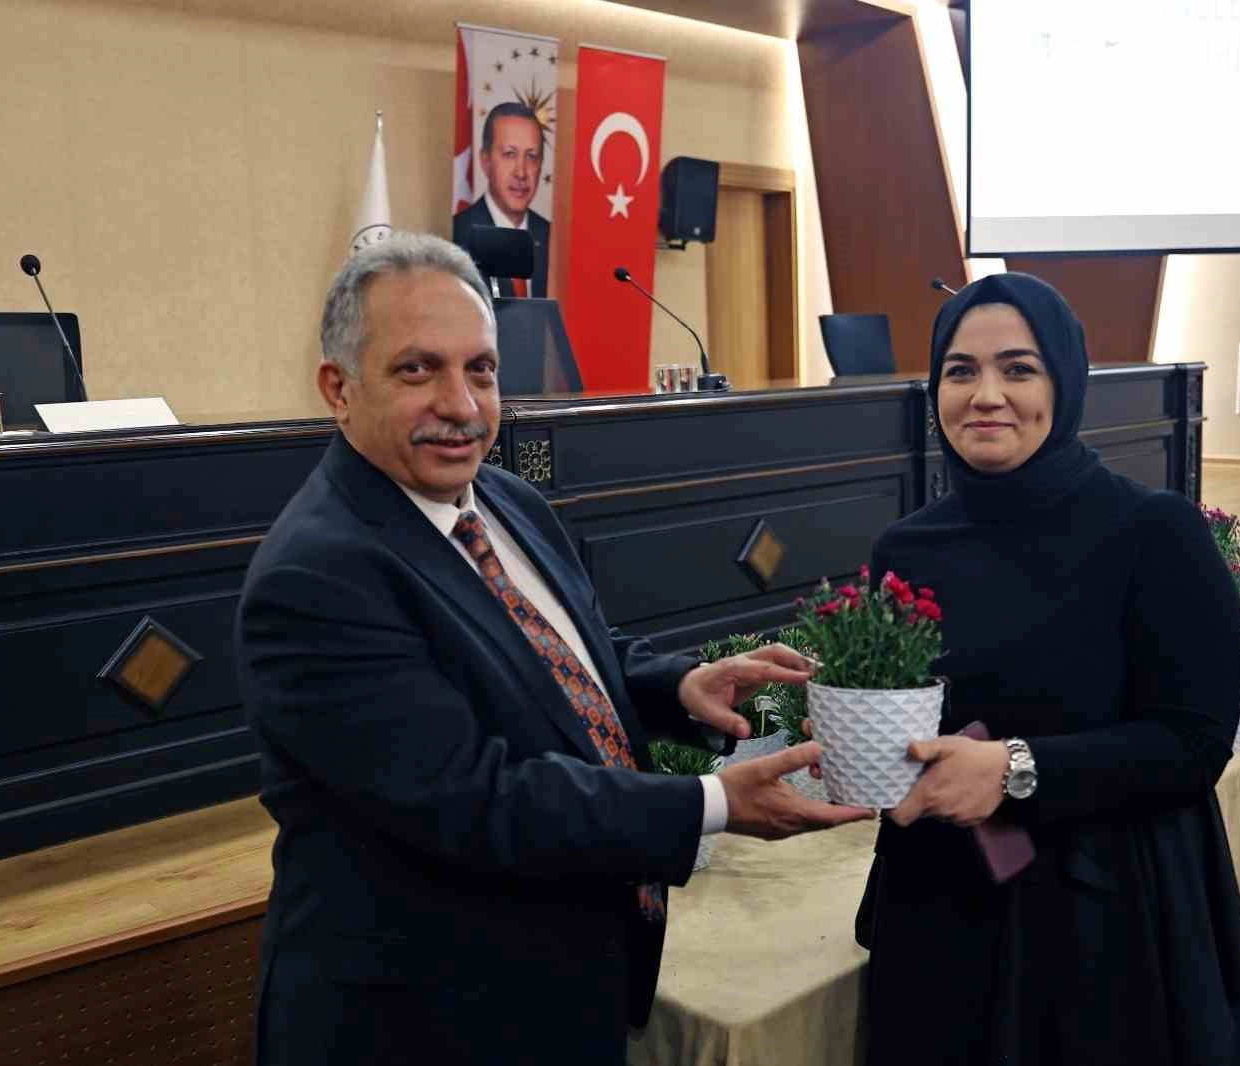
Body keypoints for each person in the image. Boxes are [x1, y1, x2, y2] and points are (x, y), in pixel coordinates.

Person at [236, 233, 870, 1065]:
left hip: (557, 986)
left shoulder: (505, 500)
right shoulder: (318, 576)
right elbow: (476, 798)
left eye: (481, 369)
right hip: (422, 1025)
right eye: (418, 370)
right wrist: (712, 805)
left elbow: (564, 653)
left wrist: (678, 686)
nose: (461, 404)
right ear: (338, 388)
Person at [849, 273, 1240, 1065]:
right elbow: (912, 718)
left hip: (1103, 920)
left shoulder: (1152, 532)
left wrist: (1014, 769)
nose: (986, 396)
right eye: (961, 371)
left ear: (1065, 382)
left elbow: (1194, 743)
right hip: (941, 906)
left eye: (1018, 368)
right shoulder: (906, 548)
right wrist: (853, 726)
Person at [452, 102, 551, 297]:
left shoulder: (553, 239)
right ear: (485, 161)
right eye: (509, 154)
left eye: (531, 156)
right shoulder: (456, 236)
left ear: (540, 165)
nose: (521, 172)